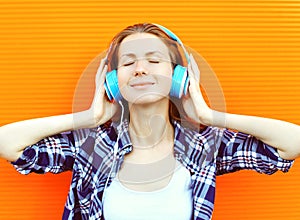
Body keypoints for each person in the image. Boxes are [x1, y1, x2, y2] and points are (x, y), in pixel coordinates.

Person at [0, 23, 299, 220]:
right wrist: (89, 117)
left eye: (154, 60)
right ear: (113, 82)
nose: (140, 69)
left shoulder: (204, 144)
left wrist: (208, 116)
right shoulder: (91, 145)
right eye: (128, 63)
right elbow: (8, 144)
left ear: (179, 77)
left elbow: (291, 144)